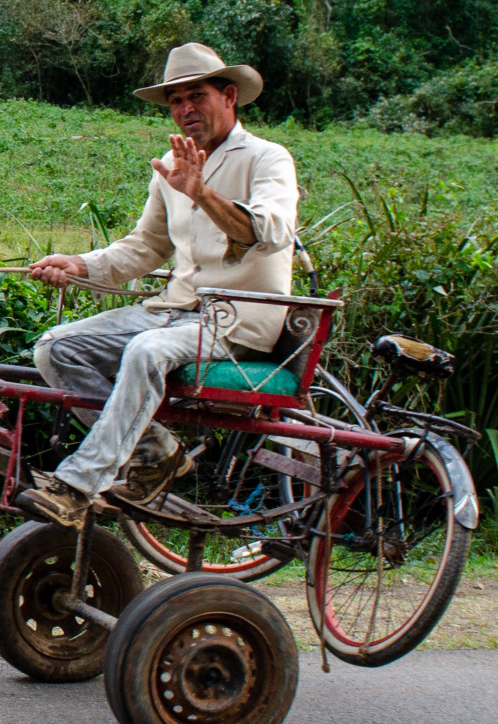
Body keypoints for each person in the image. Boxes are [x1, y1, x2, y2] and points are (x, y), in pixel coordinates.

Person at [17, 44, 299, 528]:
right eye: (175, 101)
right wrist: (79, 264)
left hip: (236, 320)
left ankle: (79, 484)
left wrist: (203, 193)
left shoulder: (267, 159)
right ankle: (157, 451)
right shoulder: (169, 169)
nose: (185, 109)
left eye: (197, 95)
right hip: (173, 312)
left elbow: (269, 231)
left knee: (148, 351)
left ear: (229, 95)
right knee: (56, 349)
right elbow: (144, 248)